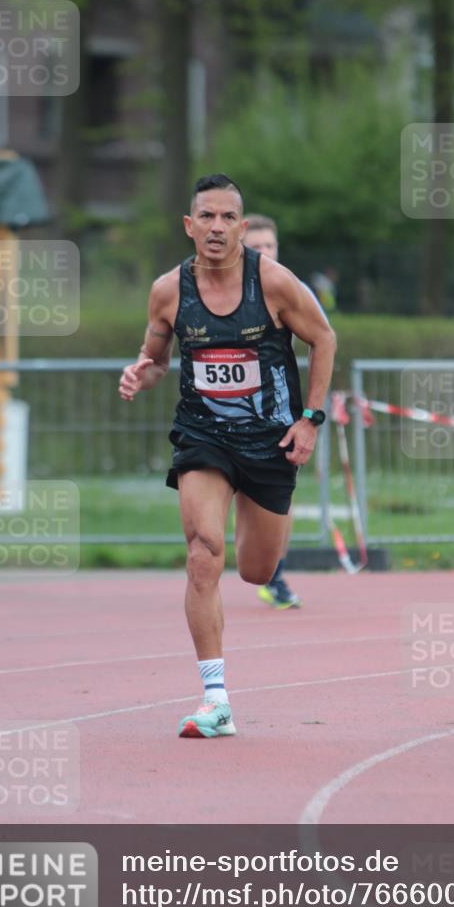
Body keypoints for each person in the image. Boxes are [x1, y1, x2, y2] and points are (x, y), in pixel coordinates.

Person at [119, 174, 336, 738]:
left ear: (241, 226)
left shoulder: (275, 283)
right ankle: (215, 700)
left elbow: (324, 339)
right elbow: (155, 358)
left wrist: (310, 419)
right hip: (203, 436)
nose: (216, 227)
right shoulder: (169, 290)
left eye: (228, 217)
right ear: (189, 226)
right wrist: (141, 373)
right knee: (202, 553)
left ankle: (249, 510)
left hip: (269, 442)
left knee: (256, 569)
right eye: (206, 217)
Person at [244, 213, 330, 611]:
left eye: (270, 246)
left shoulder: (292, 289)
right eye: (256, 247)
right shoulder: (217, 289)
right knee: (222, 496)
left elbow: (323, 341)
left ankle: (274, 575)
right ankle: (209, 564)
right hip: (225, 414)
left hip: (276, 413)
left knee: (278, 500)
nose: (264, 253)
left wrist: (312, 412)